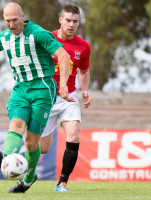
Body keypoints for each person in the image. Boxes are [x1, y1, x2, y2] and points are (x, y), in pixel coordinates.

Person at [0, 2, 74, 193]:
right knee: (16, 125)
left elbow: (62, 55)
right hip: (20, 88)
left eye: (14, 20)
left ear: (22, 17)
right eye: (7, 21)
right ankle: (7, 159)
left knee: (31, 142)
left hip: (43, 88)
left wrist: (62, 85)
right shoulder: (4, 37)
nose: (11, 25)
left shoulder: (38, 33)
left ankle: (28, 178)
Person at [39, 4, 91, 192]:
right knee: (43, 148)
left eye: (75, 21)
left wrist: (84, 90)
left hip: (68, 97)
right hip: (46, 98)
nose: (71, 24)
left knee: (74, 135)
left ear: (79, 23)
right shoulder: (46, 39)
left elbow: (84, 71)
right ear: (60, 20)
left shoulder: (83, 46)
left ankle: (62, 183)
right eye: (67, 20)